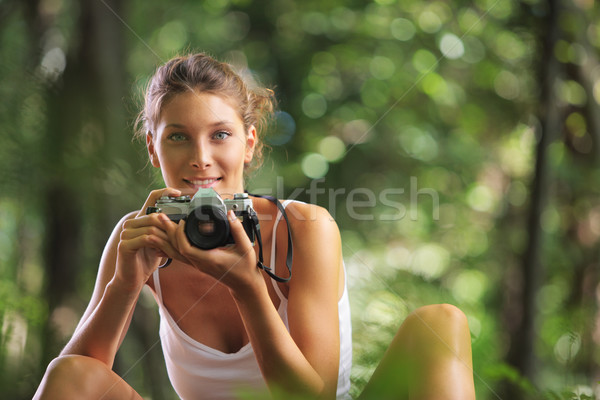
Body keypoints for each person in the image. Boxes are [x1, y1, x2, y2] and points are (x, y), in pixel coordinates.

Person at [33, 53, 476, 400]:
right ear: (153, 148)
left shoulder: (304, 228)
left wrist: (247, 286)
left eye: (219, 135)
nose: (201, 157)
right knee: (67, 369)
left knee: (442, 323)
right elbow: (76, 382)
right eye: (178, 136)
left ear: (249, 143)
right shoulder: (141, 235)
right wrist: (127, 284)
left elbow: (311, 398)